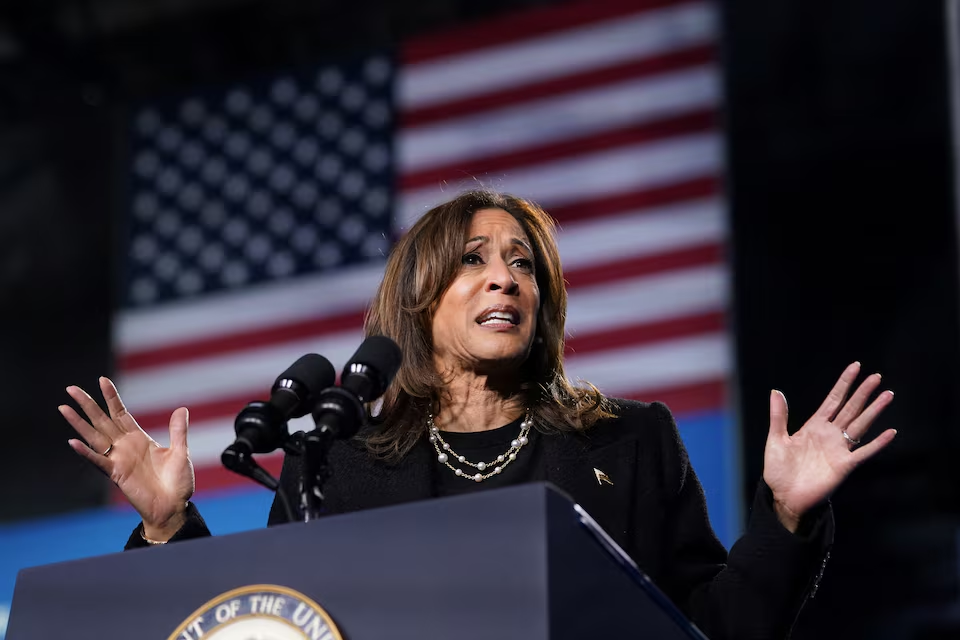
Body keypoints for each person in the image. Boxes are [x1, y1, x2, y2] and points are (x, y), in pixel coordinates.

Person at [60, 189, 896, 639]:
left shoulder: (630, 440)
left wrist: (784, 516)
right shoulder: (342, 462)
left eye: (523, 265)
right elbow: (282, 624)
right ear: (419, 302)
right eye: (473, 261)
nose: (506, 279)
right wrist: (172, 527)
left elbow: (714, 628)